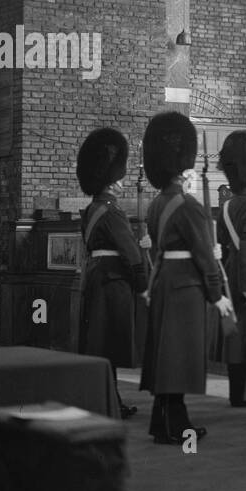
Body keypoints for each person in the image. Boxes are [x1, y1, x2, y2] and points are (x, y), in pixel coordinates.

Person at [139, 111, 234, 445]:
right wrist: (217, 294)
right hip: (186, 288)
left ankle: (163, 421)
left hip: (165, 281)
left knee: (167, 355)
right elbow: (203, 254)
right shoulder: (188, 206)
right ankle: (177, 426)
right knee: (178, 356)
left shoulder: (156, 204)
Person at [76, 127, 147, 420]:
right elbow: (130, 253)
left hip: (96, 279)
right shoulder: (112, 212)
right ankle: (110, 402)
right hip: (113, 283)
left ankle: (109, 399)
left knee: (100, 346)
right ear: (111, 182)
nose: (122, 184)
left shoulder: (92, 209)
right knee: (111, 347)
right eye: (119, 179)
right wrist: (142, 283)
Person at [214, 130, 246, 408]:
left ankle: (237, 392)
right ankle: (245, 394)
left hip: (229, 273)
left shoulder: (228, 205)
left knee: (235, 336)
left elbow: (223, 244)